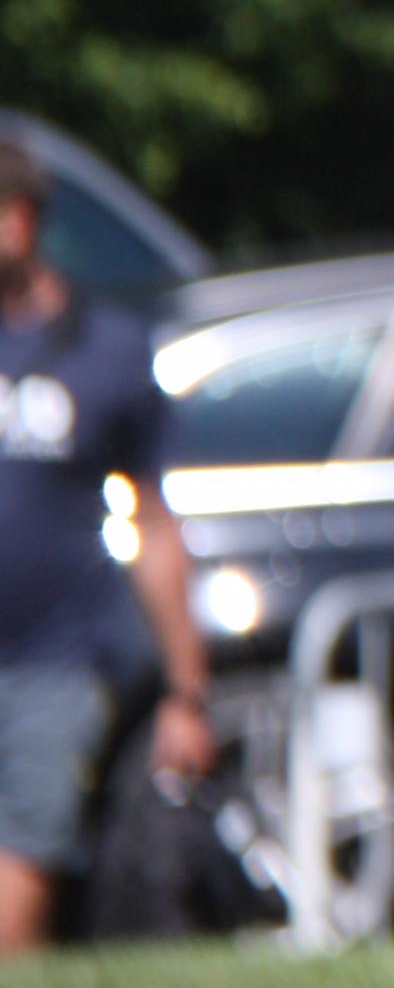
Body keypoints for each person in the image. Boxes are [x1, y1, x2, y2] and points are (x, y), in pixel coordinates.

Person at [0, 138, 213, 955]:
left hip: (55, 661)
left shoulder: (107, 347)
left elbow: (155, 526)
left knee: (18, 881)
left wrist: (186, 692)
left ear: (20, 221)